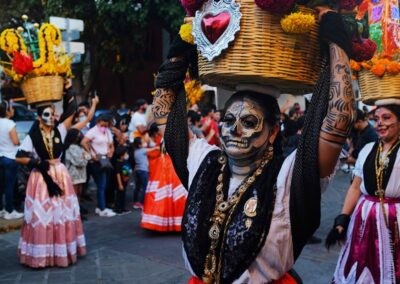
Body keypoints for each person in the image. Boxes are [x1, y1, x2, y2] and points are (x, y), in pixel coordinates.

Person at [152, 8, 355, 283]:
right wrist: (182, 46)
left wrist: (336, 43)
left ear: (272, 133)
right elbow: (164, 112)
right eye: (228, 120)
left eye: (248, 121)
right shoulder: (205, 161)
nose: (234, 129)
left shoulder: (289, 177)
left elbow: (338, 121)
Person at [327, 103, 400, 283]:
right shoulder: (367, 150)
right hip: (364, 217)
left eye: (386, 118)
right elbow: (354, 187)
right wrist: (343, 217)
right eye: (376, 119)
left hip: (396, 219)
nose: (379, 124)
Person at [15, 88, 86, 268]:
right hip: (41, 179)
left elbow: (71, 111)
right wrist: (36, 163)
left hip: (60, 175)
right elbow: (19, 155)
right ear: (39, 117)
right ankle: (43, 255)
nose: (52, 117)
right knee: (44, 215)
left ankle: (61, 252)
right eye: (48, 114)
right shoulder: (33, 136)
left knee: (61, 213)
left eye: (53, 114)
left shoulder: (60, 130)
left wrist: (69, 89)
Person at [141, 124, 188, 231]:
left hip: (164, 166)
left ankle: (161, 221)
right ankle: (174, 222)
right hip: (170, 166)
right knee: (174, 194)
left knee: (166, 193)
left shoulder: (164, 138)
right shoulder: (170, 137)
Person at [81, 114, 116, 217]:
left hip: (105, 160)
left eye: (106, 124)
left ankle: (100, 207)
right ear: (98, 121)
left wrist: (111, 151)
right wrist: (91, 155)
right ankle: (102, 208)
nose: (104, 126)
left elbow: (111, 144)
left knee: (103, 185)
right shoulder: (92, 131)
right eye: (103, 124)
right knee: (101, 185)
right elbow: (83, 142)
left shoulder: (107, 131)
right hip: (96, 162)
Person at [0, 100, 23, 220]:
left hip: (0, 157)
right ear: (8, 112)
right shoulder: (10, 124)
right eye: (12, 109)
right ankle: (10, 210)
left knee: (1, 185)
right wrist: (19, 141)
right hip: (10, 157)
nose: (13, 110)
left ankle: (1, 210)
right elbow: (15, 141)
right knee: (9, 185)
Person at [132, 137, 152, 209]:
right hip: (143, 171)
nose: (144, 143)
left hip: (138, 170)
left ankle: (135, 202)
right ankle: (142, 203)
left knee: (137, 187)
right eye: (143, 142)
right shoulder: (143, 150)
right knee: (145, 187)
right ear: (139, 145)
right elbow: (154, 149)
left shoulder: (136, 151)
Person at [114, 146, 131, 214]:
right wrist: (120, 184)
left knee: (123, 195)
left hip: (125, 181)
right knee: (119, 196)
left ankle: (123, 208)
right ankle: (118, 209)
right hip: (120, 182)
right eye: (125, 153)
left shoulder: (124, 162)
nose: (126, 155)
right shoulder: (118, 164)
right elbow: (118, 174)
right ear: (121, 155)